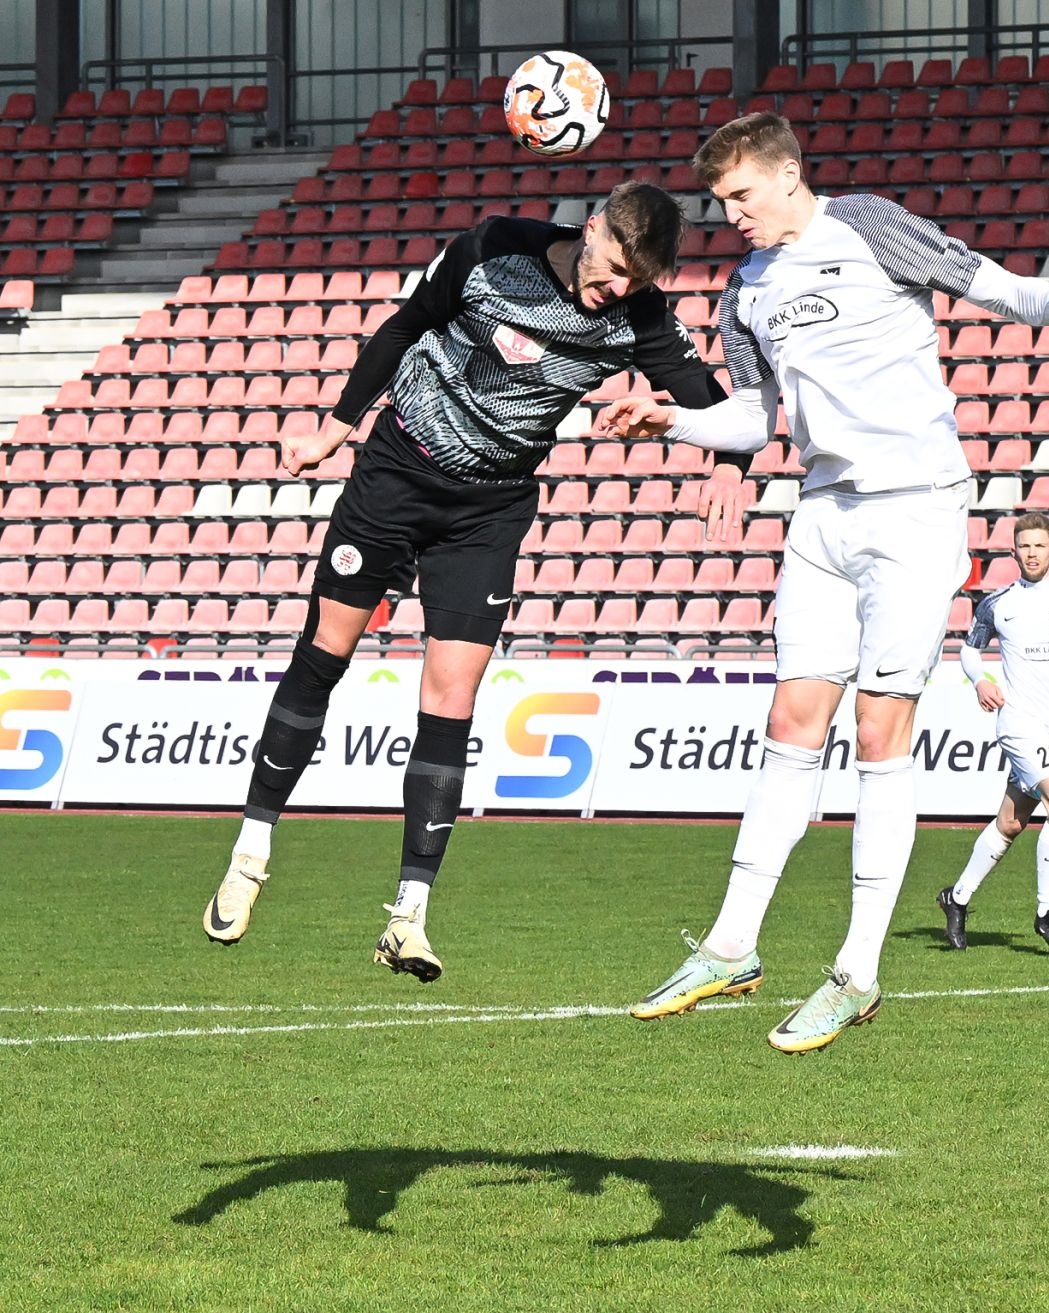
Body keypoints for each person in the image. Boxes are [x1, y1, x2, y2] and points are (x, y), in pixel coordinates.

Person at [600, 113, 1049, 1053]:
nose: (733, 217)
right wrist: (669, 421)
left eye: (741, 196)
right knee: (792, 720)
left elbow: (992, 287)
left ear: (787, 174)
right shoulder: (745, 291)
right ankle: (730, 946)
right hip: (823, 513)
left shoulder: (868, 224)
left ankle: (858, 970)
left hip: (915, 510)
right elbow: (753, 418)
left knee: (881, 729)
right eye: (721, 203)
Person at [201, 183, 746, 981]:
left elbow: (713, 403)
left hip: (488, 509)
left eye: (638, 279)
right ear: (592, 228)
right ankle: (251, 852)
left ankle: (409, 915)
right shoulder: (493, 248)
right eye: (614, 267)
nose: (618, 287)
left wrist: (729, 464)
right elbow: (404, 327)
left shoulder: (642, 317)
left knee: (452, 694)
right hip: (397, 471)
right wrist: (331, 432)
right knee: (326, 651)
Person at [937, 513, 1049, 951]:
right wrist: (980, 681)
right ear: (1013, 551)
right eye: (1025, 546)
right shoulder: (998, 603)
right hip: (1019, 723)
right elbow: (970, 650)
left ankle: (956, 897)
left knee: (1011, 823)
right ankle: (1046, 912)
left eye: (1039, 545)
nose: (1032, 553)